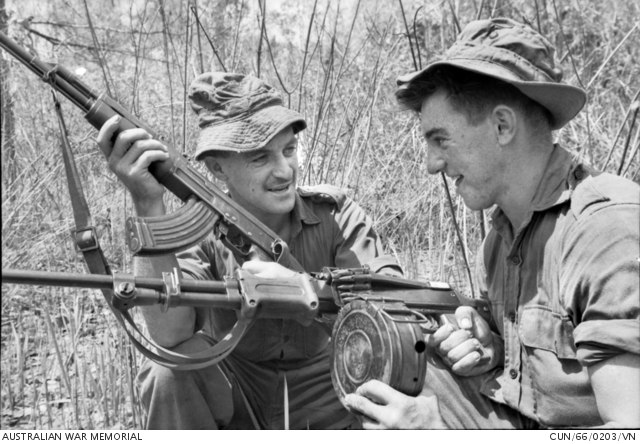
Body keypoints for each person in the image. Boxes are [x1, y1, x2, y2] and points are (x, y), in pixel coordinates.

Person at [341, 17, 640, 428]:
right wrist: (493, 345)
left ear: (502, 126)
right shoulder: (501, 239)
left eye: (439, 139)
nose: (432, 165)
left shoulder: (604, 231)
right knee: (396, 366)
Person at [96, 72, 401, 429]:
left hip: (332, 389)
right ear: (217, 167)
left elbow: (394, 307)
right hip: (238, 388)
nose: (284, 170)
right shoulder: (201, 229)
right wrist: (147, 203)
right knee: (168, 370)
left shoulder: (334, 215)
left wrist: (304, 288)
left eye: (289, 150)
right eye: (260, 159)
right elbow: (170, 335)